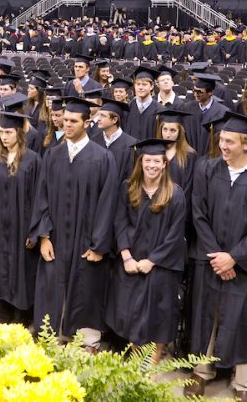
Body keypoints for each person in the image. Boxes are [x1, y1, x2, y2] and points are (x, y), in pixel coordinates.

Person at [186, 111, 247, 402]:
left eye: (229, 141)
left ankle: (244, 385)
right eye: (221, 140)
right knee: (208, 318)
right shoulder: (207, 169)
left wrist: (234, 258)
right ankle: (201, 372)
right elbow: (198, 215)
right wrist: (218, 257)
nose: (223, 146)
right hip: (212, 261)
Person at [29, 96, 119, 349]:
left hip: (86, 241)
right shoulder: (53, 155)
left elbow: (107, 204)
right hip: (56, 239)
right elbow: (42, 197)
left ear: (87, 123)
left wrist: (100, 245)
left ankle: (85, 343)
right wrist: (43, 236)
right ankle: (52, 336)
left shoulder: (102, 158)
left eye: (73, 121)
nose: (66, 125)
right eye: (65, 120)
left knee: (85, 289)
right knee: (53, 287)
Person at [105, 139, 187, 363]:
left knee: (159, 315)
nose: (151, 165)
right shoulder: (128, 188)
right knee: (131, 313)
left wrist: (152, 261)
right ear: (141, 163)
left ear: (164, 164)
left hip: (161, 266)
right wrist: (126, 256)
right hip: (131, 262)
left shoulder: (175, 194)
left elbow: (175, 234)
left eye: (156, 161)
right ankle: (137, 358)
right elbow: (119, 223)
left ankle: (153, 363)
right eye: (147, 160)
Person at [0, 111, 41, 323]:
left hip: (20, 227)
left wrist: (34, 230)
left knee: (20, 270)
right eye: (1, 132)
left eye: (8, 132)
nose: (4, 137)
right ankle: (1, 313)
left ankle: (21, 319)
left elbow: (38, 197)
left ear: (19, 133)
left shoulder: (33, 160)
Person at [94, 98, 137, 182]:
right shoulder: (94, 141)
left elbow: (130, 176)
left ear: (114, 120)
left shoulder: (131, 144)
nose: (98, 118)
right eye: (98, 115)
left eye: (103, 116)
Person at [124, 66, 163, 141]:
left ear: (151, 86)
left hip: (151, 151)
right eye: (138, 84)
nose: (140, 87)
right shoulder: (127, 108)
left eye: (144, 84)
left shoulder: (160, 110)